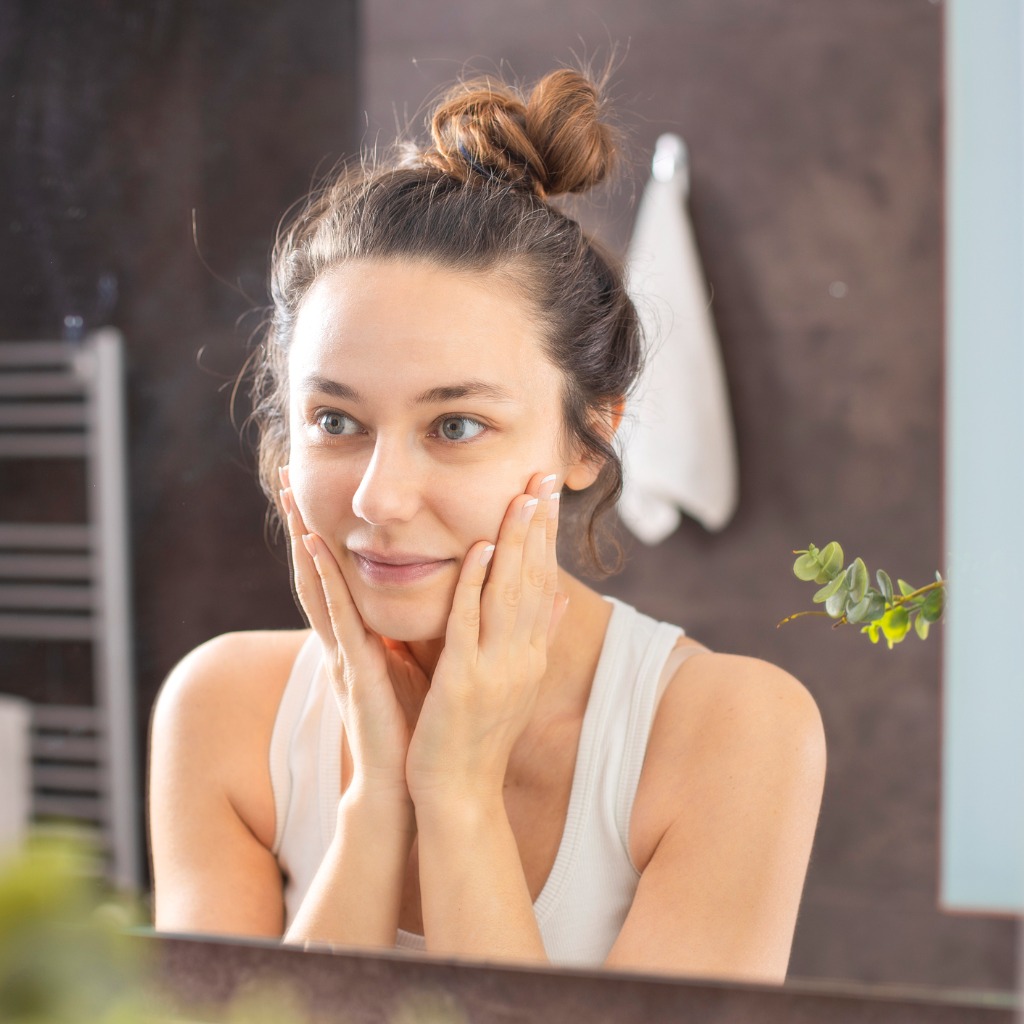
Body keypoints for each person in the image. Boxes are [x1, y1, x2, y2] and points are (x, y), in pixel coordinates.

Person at [148, 66, 826, 982]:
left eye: (456, 425)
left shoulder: (731, 733)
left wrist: (457, 793)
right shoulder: (223, 711)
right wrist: (375, 801)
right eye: (336, 421)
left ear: (591, 438)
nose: (380, 501)